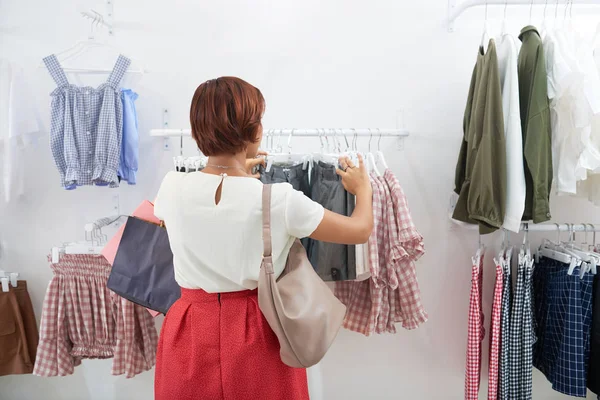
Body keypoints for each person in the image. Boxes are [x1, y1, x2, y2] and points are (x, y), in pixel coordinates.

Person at [153, 76, 373, 400]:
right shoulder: (278, 200)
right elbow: (359, 230)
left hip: (188, 327)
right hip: (256, 329)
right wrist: (363, 190)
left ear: (198, 132)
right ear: (254, 131)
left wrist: (235, 171)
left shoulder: (171, 186)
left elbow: (212, 201)